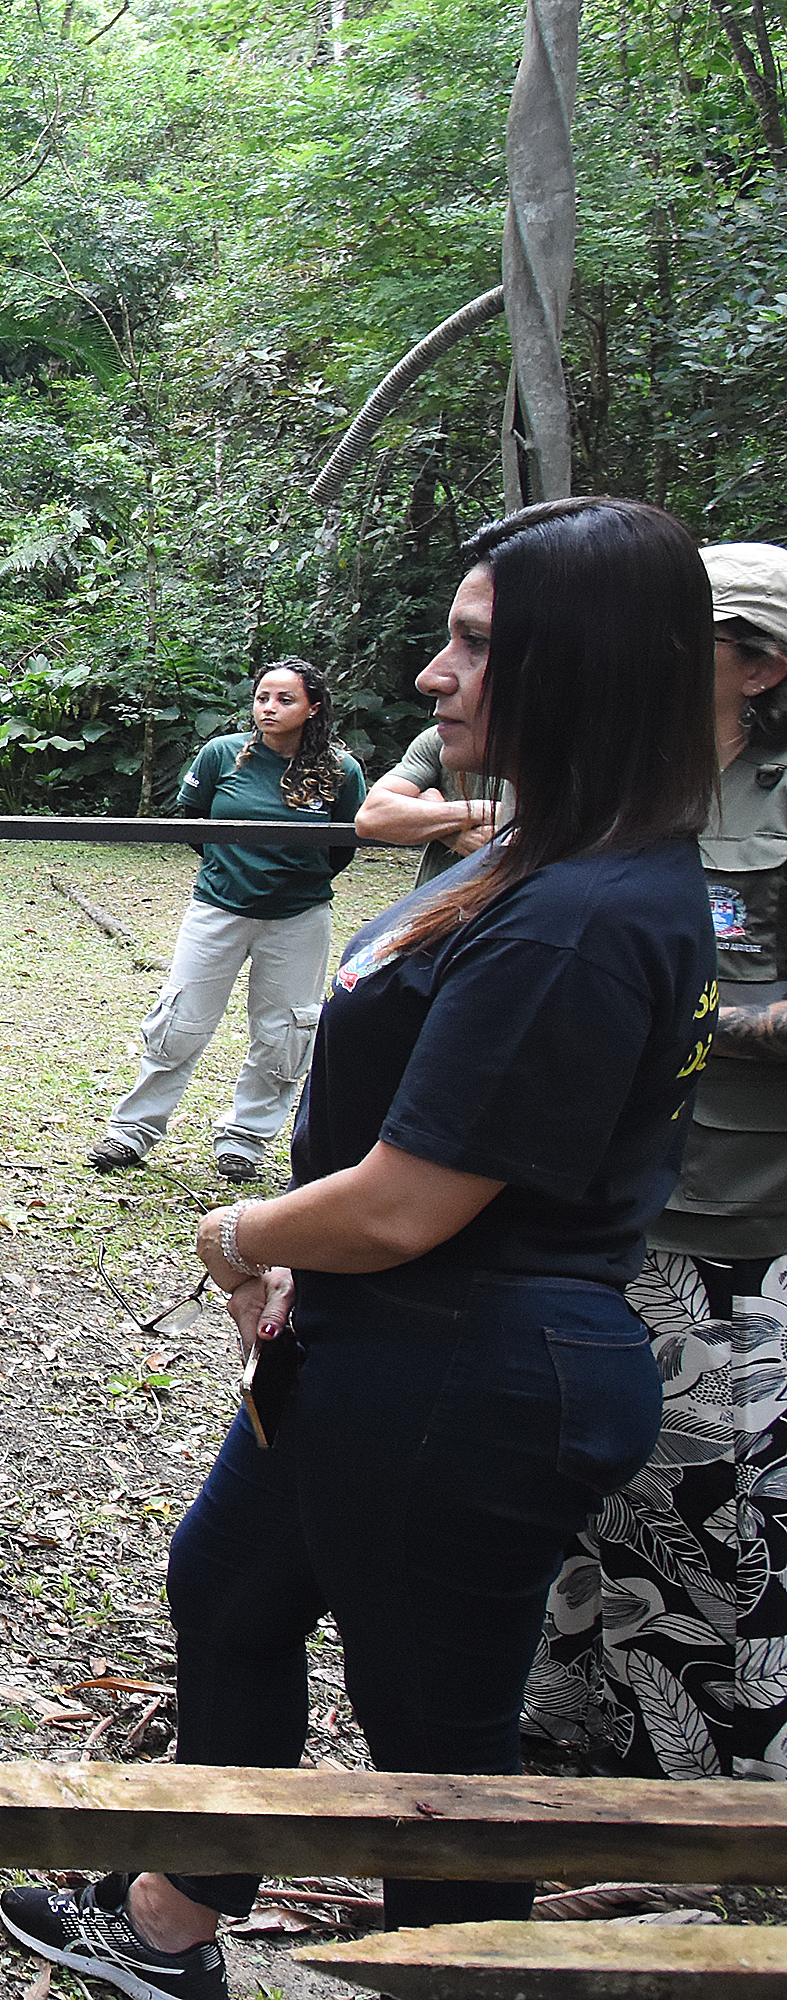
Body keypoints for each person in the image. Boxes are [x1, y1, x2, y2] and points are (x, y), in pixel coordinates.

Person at [2, 496, 719, 2000]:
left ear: (575, 666)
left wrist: (238, 1230)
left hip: (466, 1375)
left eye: (471, 644)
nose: (429, 677)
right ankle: (172, 1917)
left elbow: (410, 1199)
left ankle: (455, 1978)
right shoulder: (539, 850)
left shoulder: (580, 916)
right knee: (228, 1587)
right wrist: (295, 1263)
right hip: (372, 1343)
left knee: (437, 1751)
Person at [523, 540, 787, 1781]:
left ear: (759, 665)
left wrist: (676, 1019)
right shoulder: (602, 777)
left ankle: (706, 1785)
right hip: (587, 1198)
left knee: (713, 1507)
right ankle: (561, 1730)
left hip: (737, 1211)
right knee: (581, 1483)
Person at [87, 661, 367, 1183]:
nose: (269, 708)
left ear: (314, 707)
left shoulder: (339, 770)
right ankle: (132, 1131)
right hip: (217, 907)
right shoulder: (222, 755)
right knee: (180, 1019)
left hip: (299, 917)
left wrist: (289, 879)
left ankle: (246, 1140)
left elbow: (341, 845)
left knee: (285, 1031)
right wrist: (230, 869)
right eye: (263, 697)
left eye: (285, 699)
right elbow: (194, 822)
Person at [357, 722, 510, 884]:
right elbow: (371, 817)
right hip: (434, 903)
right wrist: (483, 812)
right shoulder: (440, 739)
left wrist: (432, 813)